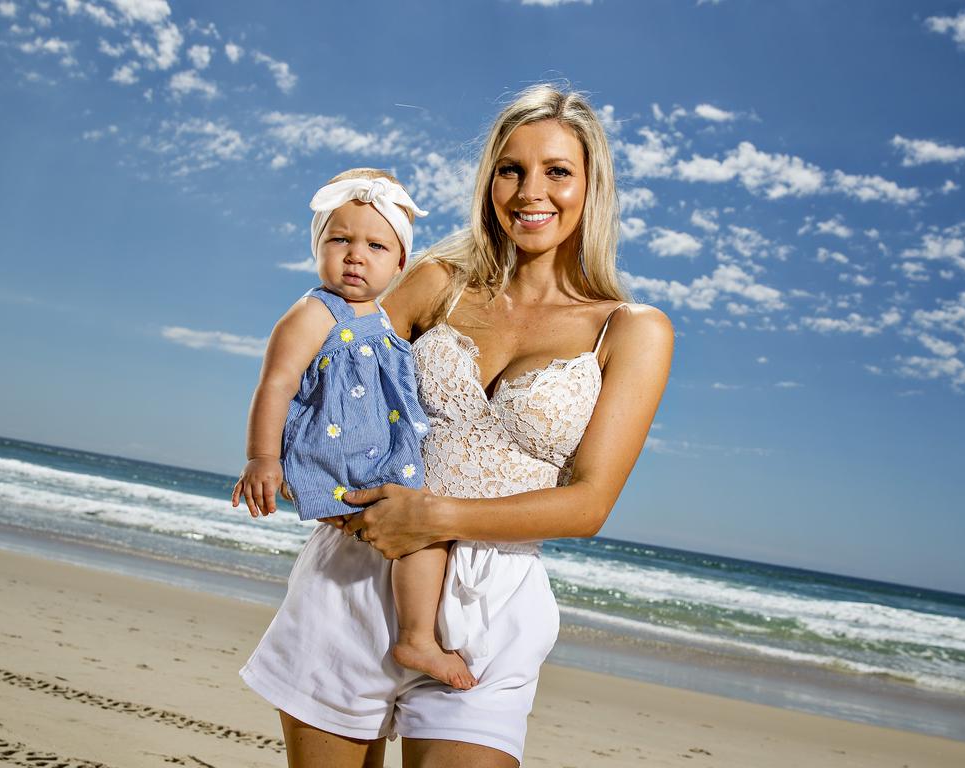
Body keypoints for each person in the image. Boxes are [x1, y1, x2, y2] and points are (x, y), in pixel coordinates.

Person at [238, 84, 673, 768]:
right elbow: (329, 346)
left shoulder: (631, 330)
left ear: (591, 186)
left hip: (491, 606)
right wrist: (299, 463)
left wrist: (431, 517)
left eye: (557, 171)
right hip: (355, 574)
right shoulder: (438, 280)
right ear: (489, 181)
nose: (532, 192)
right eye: (511, 169)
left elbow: (589, 504)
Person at [231, 168, 478, 691]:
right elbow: (275, 384)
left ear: (400, 263)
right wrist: (262, 459)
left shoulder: (386, 319)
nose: (355, 255)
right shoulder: (313, 312)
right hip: (339, 459)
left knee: (424, 530)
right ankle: (416, 638)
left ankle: (409, 630)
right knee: (426, 536)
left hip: (377, 456)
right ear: (317, 246)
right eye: (339, 239)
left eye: (376, 246)